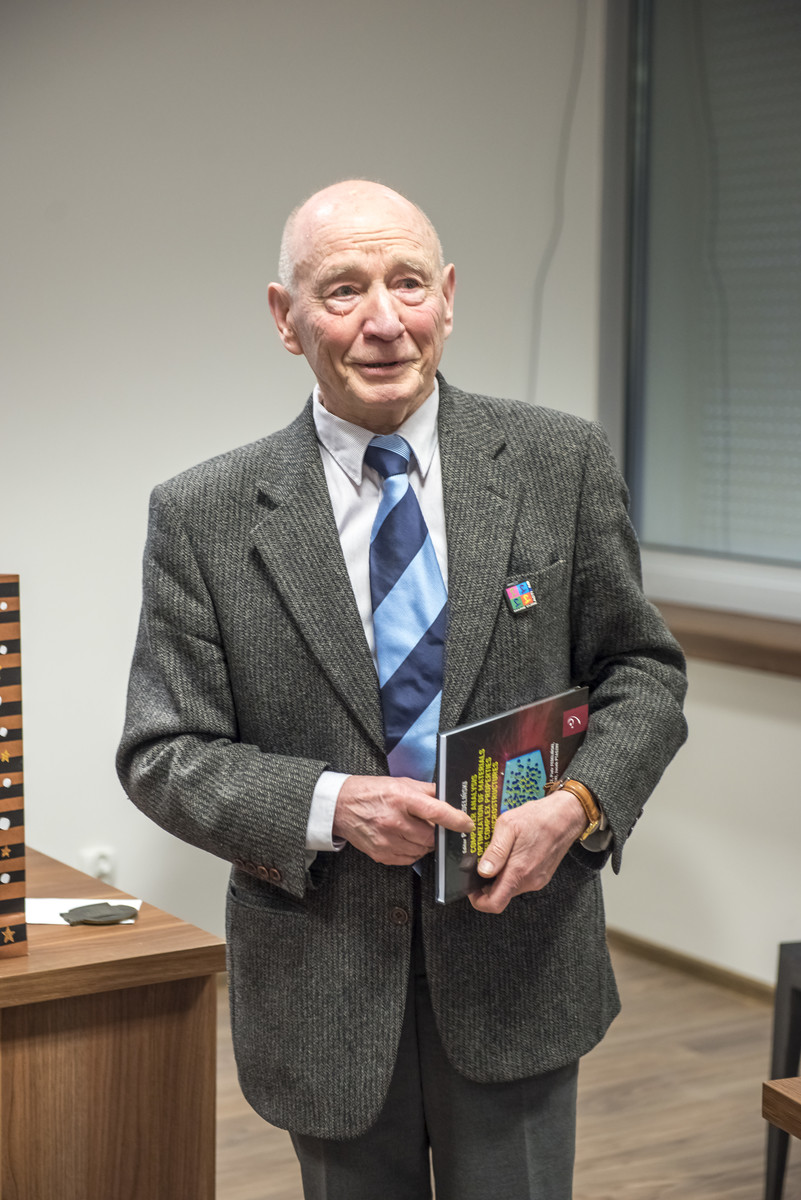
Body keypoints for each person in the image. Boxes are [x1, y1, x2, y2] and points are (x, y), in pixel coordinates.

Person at [117, 180, 687, 1200]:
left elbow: (641, 672)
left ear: (448, 297)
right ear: (285, 318)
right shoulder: (203, 515)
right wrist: (333, 805)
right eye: (343, 290)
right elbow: (165, 753)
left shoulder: (559, 464)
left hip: (521, 959)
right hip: (322, 980)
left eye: (409, 283)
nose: (384, 321)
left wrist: (577, 805)